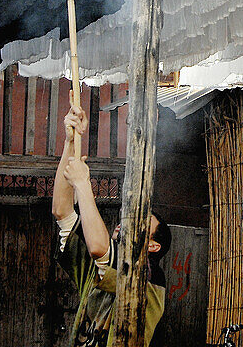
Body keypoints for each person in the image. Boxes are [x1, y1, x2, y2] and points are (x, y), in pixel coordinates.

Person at [53, 104, 171, 347]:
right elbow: (62, 211)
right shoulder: (101, 267)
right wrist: (71, 141)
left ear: (152, 246)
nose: (125, 222)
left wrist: (83, 184)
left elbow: (98, 247)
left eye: (140, 222)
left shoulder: (148, 275)